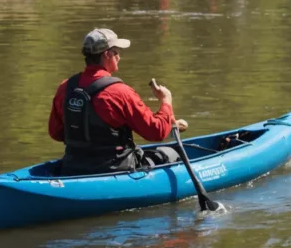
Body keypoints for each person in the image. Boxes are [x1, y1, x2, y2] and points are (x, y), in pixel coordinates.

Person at [48, 29, 189, 176]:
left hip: (73, 166)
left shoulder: (65, 88)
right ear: (107, 54)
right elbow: (156, 132)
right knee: (172, 153)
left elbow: (56, 133)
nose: (119, 56)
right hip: (115, 168)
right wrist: (166, 101)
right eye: (116, 52)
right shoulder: (120, 92)